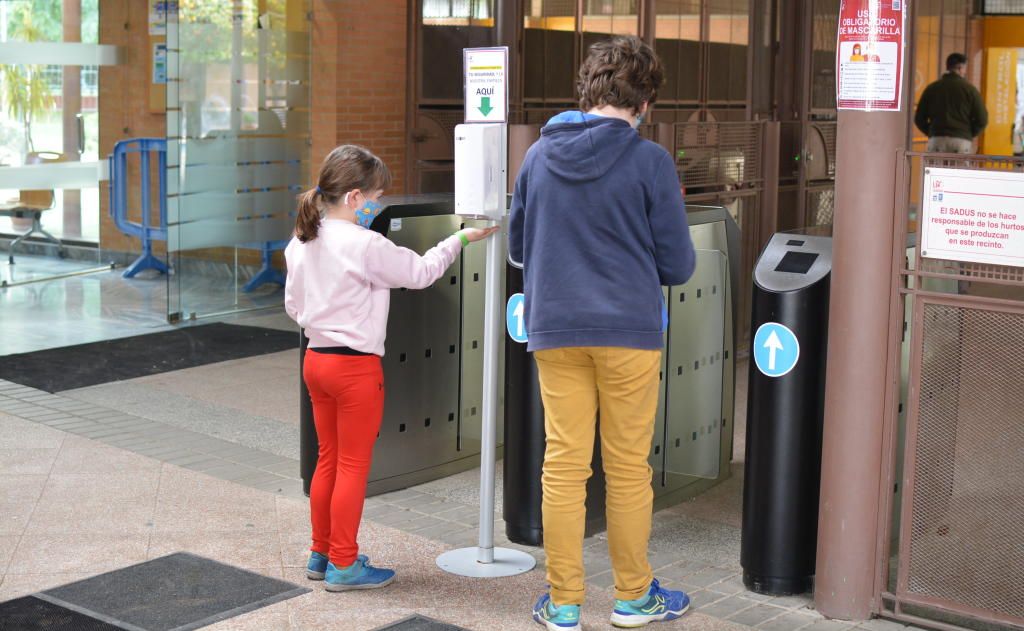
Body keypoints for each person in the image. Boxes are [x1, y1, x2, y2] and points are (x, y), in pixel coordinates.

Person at [509, 35, 696, 630]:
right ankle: (633, 598)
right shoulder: (650, 162)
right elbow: (679, 265)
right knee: (627, 467)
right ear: (645, 102)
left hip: (556, 329)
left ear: (587, 90)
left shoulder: (538, 157)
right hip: (629, 332)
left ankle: (564, 604)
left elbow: (518, 247)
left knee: (563, 464)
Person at [284, 145, 497, 592]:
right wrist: (456, 241)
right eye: (376, 197)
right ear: (356, 196)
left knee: (327, 460)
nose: (378, 205)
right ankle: (345, 564)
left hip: (316, 360)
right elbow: (419, 273)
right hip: (355, 370)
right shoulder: (364, 244)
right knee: (352, 466)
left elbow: (292, 306)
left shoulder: (301, 239)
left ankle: (321, 553)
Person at [915, 52, 988, 154]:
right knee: (958, 170)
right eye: (965, 69)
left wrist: (932, 132)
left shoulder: (932, 88)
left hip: (937, 139)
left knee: (934, 170)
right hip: (961, 141)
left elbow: (919, 118)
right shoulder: (970, 90)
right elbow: (982, 119)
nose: (965, 72)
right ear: (960, 68)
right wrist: (967, 133)